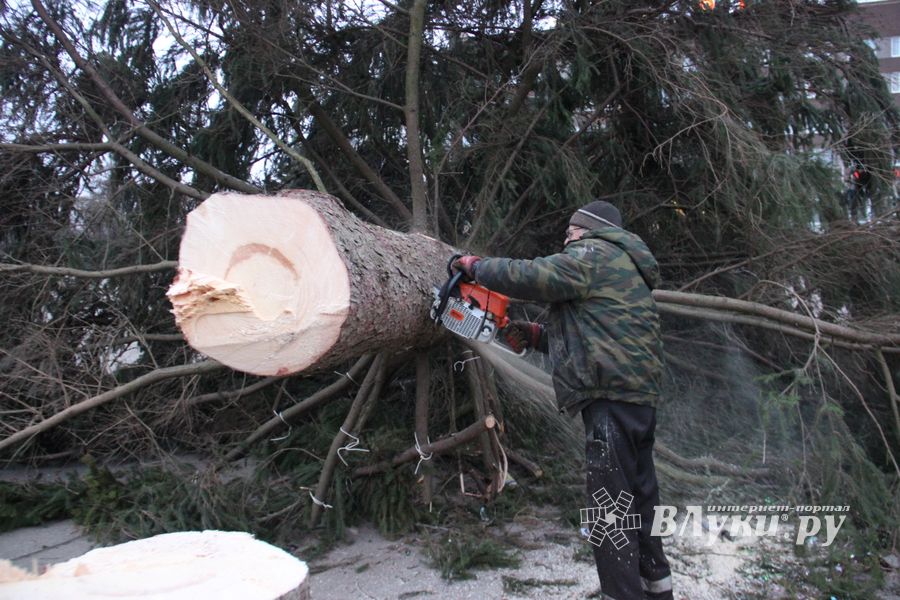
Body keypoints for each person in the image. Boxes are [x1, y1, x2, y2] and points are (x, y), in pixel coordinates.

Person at [452, 200, 673, 600]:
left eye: (569, 233)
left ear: (585, 230)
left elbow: (536, 276)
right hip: (637, 397)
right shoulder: (625, 267)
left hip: (610, 398)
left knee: (609, 507)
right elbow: (597, 334)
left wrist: (476, 266)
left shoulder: (594, 252)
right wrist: (534, 336)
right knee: (640, 496)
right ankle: (656, 588)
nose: (565, 240)